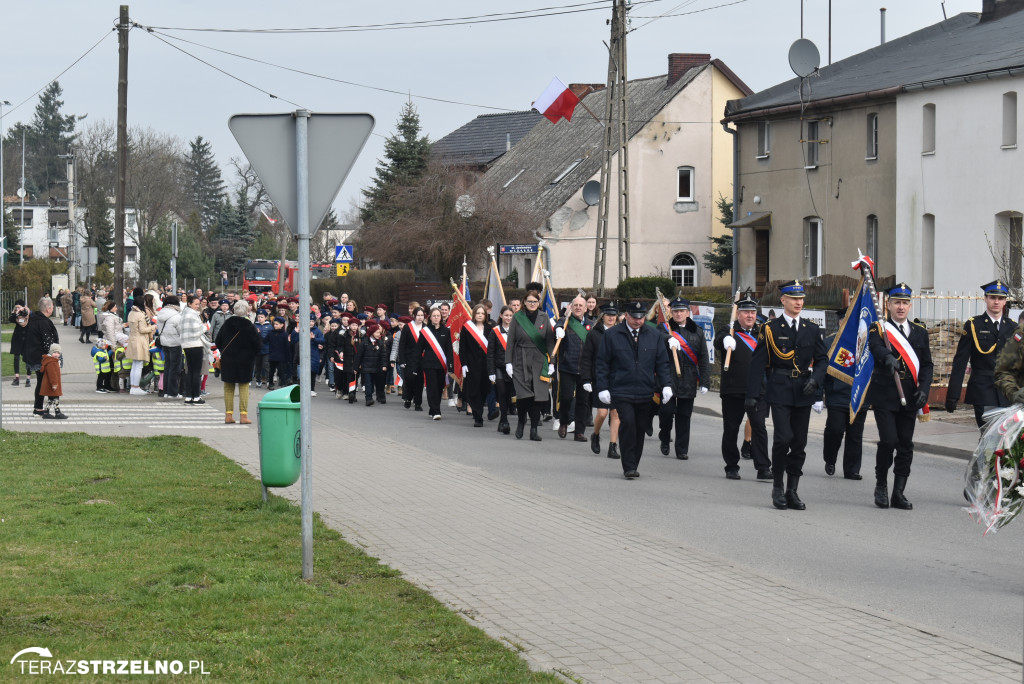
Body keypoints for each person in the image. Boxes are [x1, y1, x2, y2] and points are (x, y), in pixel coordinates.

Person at [746, 280, 827, 510]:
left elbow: (822, 361)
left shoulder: (811, 329)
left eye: (801, 299)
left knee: (799, 444)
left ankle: (793, 490)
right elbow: (758, 363)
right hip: (780, 388)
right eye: (793, 298)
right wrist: (752, 395)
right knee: (782, 438)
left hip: (803, 390)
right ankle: (778, 486)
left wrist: (815, 380)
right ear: (783, 300)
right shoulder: (770, 328)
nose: (798, 302)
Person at [868, 283, 933, 510]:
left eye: (905, 303)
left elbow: (926, 365)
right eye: (897, 302)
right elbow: (875, 347)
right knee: (888, 441)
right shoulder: (880, 329)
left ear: (910, 305)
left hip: (910, 395)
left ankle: (898, 492)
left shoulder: (920, 332)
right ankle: (881, 485)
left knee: (905, 445)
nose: (901, 307)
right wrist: (887, 356)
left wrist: (924, 389)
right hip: (885, 394)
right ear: (889, 305)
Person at [595, 301, 673, 479]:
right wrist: (603, 388)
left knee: (640, 427)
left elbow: (662, 362)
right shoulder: (613, 335)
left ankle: (634, 463)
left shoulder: (654, 335)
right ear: (627, 316)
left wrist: (667, 385)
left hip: (645, 390)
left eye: (641, 318)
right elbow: (602, 363)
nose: (638, 321)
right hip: (621, 389)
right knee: (628, 423)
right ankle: (628, 465)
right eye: (634, 318)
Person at [715, 296, 773, 481]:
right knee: (731, 429)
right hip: (733, 389)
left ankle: (763, 467)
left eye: (753, 312)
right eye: (746, 312)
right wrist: (725, 340)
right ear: (738, 314)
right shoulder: (729, 330)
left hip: (758, 390)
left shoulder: (762, 332)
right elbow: (718, 340)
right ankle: (731, 466)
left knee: (759, 428)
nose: (750, 316)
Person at [946, 280, 1015, 427]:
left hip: (1007, 392)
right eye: (992, 297)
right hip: (982, 390)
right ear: (985, 299)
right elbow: (960, 362)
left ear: (1005, 301)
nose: (996, 302)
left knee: (1005, 440)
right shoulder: (973, 325)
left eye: (1000, 298)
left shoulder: (1012, 327)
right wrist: (953, 395)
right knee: (988, 435)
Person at [658, 297, 711, 461]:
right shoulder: (664, 329)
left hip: (688, 378)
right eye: (675, 311)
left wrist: (705, 382)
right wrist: (668, 339)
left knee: (684, 416)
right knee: (666, 413)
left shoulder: (698, 331)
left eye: (682, 311)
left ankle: (681, 449)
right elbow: (656, 339)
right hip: (668, 376)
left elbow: (703, 357)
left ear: (688, 313)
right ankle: (665, 437)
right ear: (671, 313)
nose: (678, 314)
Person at [505, 283, 556, 441]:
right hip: (520, 359)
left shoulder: (544, 317)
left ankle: (534, 429)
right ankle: (521, 423)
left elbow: (549, 342)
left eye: (535, 301)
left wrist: (552, 362)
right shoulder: (517, 318)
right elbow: (511, 341)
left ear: (538, 303)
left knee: (538, 397)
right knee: (523, 396)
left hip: (539, 360)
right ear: (524, 302)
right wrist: (508, 362)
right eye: (529, 301)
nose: (532, 304)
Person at [821, 307, 867, 480]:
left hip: (859, 395)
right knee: (835, 430)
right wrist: (819, 396)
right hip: (837, 395)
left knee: (855, 435)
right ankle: (830, 459)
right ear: (840, 323)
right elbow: (822, 371)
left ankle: (852, 469)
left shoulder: (865, 345)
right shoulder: (829, 343)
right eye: (845, 321)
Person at [581, 303, 620, 459]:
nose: (611, 317)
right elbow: (587, 358)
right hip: (600, 377)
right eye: (608, 314)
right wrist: (586, 379)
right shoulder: (594, 334)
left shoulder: (621, 333)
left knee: (616, 413)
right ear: (602, 315)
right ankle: (595, 434)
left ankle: (612, 446)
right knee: (602, 413)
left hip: (617, 379)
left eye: (614, 314)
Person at [215, 300, 263, 424]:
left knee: (228, 387)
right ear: (247, 310)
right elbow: (258, 345)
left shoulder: (227, 324)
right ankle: (243, 416)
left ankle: (228, 415)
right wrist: (252, 354)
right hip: (245, 361)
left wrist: (226, 352)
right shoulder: (250, 325)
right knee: (244, 387)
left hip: (228, 359)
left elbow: (218, 341)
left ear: (233, 310)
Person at [555, 295, 592, 442]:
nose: (577, 307)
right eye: (575, 305)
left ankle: (579, 431)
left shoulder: (591, 325)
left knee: (583, 401)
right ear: (571, 307)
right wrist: (558, 329)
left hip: (585, 368)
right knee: (566, 398)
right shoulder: (564, 322)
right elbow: (557, 326)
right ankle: (564, 422)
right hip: (567, 366)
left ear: (585, 308)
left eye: (580, 305)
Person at [413, 307, 454, 420]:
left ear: (441, 318)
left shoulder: (446, 331)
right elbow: (418, 350)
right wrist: (416, 365)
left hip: (442, 365)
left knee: (439, 387)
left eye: (438, 316)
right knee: (432, 387)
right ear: (430, 317)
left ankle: (433, 408)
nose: (436, 318)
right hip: (429, 364)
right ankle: (436, 410)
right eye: (434, 316)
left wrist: (451, 365)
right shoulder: (425, 332)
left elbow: (449, 350)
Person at [25, 296, 60, 417]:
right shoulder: (43, 322)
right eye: (52, 307)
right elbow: (48, 343)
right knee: (48, 382)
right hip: (43, 358)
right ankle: (48, 409)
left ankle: (39, 408)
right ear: (49, 308)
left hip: (34, 356)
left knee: (41, 382)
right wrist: (53, 356)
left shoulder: (34, 319)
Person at [460, 304, 491, 427]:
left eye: (482, 313)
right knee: (473, 391)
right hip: (471, 364)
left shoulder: (490, 329)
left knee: (484, 390)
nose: (480, 315)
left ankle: (479, 408)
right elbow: (462, 347)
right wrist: (464, 364)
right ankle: (478, 416)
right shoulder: (467, 328)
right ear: (474, 314)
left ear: (485, 315)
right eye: (478, 313)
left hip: (486, 365)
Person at [486, 305, 515, 434]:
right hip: (499, 367)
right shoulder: (495, 331)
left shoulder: (516, 331)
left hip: (513, 368)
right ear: (501, 316)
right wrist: (491, 371)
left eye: (510, 316)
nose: (508, 318)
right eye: (506, 315)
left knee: (508, 395)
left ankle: (502, 420)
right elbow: (490, 353)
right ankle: (504, 421)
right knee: (502, 392)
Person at [180, 294, 210, 404]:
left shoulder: (183, 314)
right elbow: (197, 330)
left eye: (198, 304)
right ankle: (196, 396)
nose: (198, 306)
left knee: (190, 371)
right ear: (189, 303)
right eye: (196, 304)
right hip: (196, 344)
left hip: (186, 345)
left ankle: (188, 396)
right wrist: (204, 326)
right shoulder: (193, 314)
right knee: (197, 372)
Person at [126, 295, 156, 396]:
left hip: (132, 339)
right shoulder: (141, 315)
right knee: (138, 365)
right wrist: (153, 327)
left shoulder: (131, 313)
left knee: (134, 365)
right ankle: (136, 387)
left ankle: (133, 387)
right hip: (140, 341)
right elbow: (142, 330)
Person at [156, 295, 184, 400]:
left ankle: (166, 391)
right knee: (175, 369)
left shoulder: (161, 314)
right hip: (175, 343)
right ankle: (173, 392)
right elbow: (181, 331)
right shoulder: (177, 316)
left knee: (167, 368)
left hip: (164, 343)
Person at [398, 307, 425, 411]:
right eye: (418, 315)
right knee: (410, 380)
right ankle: (408, 398)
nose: (420, 317)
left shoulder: (426, 327)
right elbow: (402, 345)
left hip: (421, 359)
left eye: (422, 315)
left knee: (419, 381)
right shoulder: (407, 327)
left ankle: (418, 403)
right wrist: (402, 360)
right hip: (409, 359)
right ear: (414, 316)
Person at [357, 322, 388, 405]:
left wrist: (384, 365)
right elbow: (359, 355)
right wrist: (356, 367)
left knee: (378, 383)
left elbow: (383, 355)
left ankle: (380, 396)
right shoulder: (364, 343)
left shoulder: (380, 342)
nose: (379, 334)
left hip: (377, 367)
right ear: (371, 333)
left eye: (379, 332)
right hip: (366, 367)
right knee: (368, 383)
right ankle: (368, 399)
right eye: (377, 332)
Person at [39, 343, 66, 419]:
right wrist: (54, 384)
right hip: (52, 384)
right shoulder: (52, 362)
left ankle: (46, 412)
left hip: (51, 384)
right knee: (55, 398)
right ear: (51, 352)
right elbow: (52, 374)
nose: (56, 355)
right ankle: (57, 413)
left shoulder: (53, 361)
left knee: (51, 399)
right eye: (54, 352)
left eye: (58, 353)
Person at [8, 300, 29, 388]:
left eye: (19, 307)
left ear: (23, 307)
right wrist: (16, 313)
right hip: (17, 338)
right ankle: (17, 378)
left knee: (28, 359)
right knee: (16, 358)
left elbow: (30, 319)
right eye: (16, 307)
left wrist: (25, 312)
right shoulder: (15, 315)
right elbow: (11, 319)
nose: (17, 308)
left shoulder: (28, 313)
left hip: (27, 339)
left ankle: (28, 379)